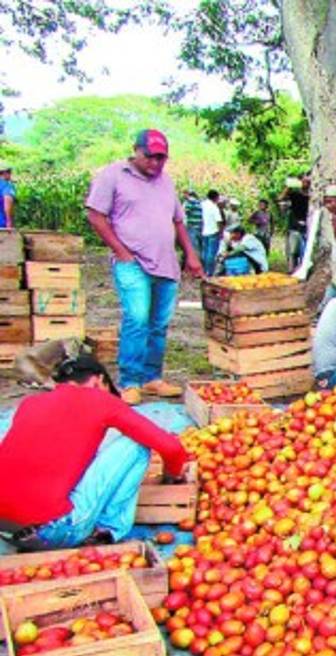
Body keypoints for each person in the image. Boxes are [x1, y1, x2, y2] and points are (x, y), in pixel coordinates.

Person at [0, 353, 189, 552]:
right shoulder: (100, 399)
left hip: (6, 532)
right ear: (99, 381)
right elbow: (172, 448)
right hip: (55, 532)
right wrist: (172, 476)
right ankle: (107, 530)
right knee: (136, 445)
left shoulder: (30, 403)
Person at [85, 129, 203, 405]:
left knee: (159, 324)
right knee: (137, 319)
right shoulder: (114, 175)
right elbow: (96, 216)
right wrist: (120, 251)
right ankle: (130, 381)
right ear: (136, 151)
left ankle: (152, 378)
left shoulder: (166, 182)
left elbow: (177, 222)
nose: (156, 163)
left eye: (161, 158)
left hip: (165, 263)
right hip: (132, 262)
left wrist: (191, 255)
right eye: (150, 157)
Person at [282, 175, 310, 273]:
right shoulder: (295, 194)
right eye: (304, 181)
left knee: (305, 250)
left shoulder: (312, 197)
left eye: (307, 182)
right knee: (293, 250)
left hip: (307, 225)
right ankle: (291, 269)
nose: (305, 183)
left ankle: (302, 269)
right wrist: (289, 186)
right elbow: (282, 198)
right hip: (295, 226)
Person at [199, 189, 224, 276]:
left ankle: (204, 271)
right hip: (213, 232)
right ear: (215, 198)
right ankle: (209, 272)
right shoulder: (214, 207)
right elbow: (219, 221)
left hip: (204, 231)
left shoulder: (202, 204)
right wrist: (221, 233)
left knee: (204, 252)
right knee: (211, 254)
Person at [182, 190, 203, 258]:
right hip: (199, 227)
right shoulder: (199, 203)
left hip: (192, 227)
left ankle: (194, 263)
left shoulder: (189, 202)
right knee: (198, 246)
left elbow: (185, 212)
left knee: (193, 246)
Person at [0, 163, 16, 229]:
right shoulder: (7, 185)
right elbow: (8, 199)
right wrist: (9, 222)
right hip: (2, 224)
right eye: (9, 172)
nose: (10, 175)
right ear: (5, 173)